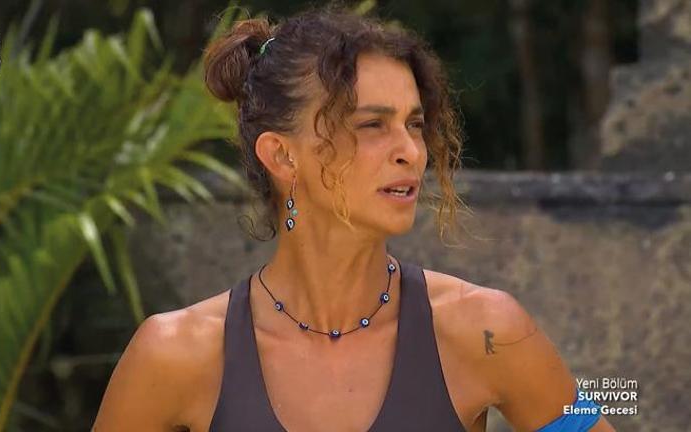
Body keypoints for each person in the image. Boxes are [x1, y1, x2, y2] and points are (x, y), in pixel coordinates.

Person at [93, 5, 615, 432]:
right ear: (282, 156)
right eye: (372, 125)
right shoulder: (175, 355)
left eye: (414, 123)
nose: (411, 151)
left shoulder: (485, 331)